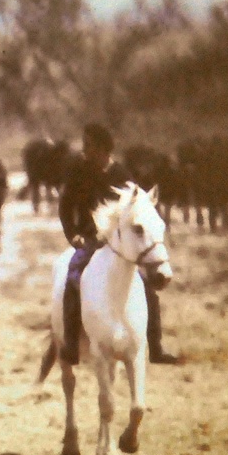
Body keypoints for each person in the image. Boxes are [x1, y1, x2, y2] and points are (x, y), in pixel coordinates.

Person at [58, 122, 179, 366]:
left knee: (147, 288)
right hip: (90, 239)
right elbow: (65, 206)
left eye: (89, 145)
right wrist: (73, 235)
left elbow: (138, 208)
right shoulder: (78, 171)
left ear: (103, 148)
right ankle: (71, 345)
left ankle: (155, 347)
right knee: (73, 277)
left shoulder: (121, 175)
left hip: (119, 243)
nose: (84, 150)